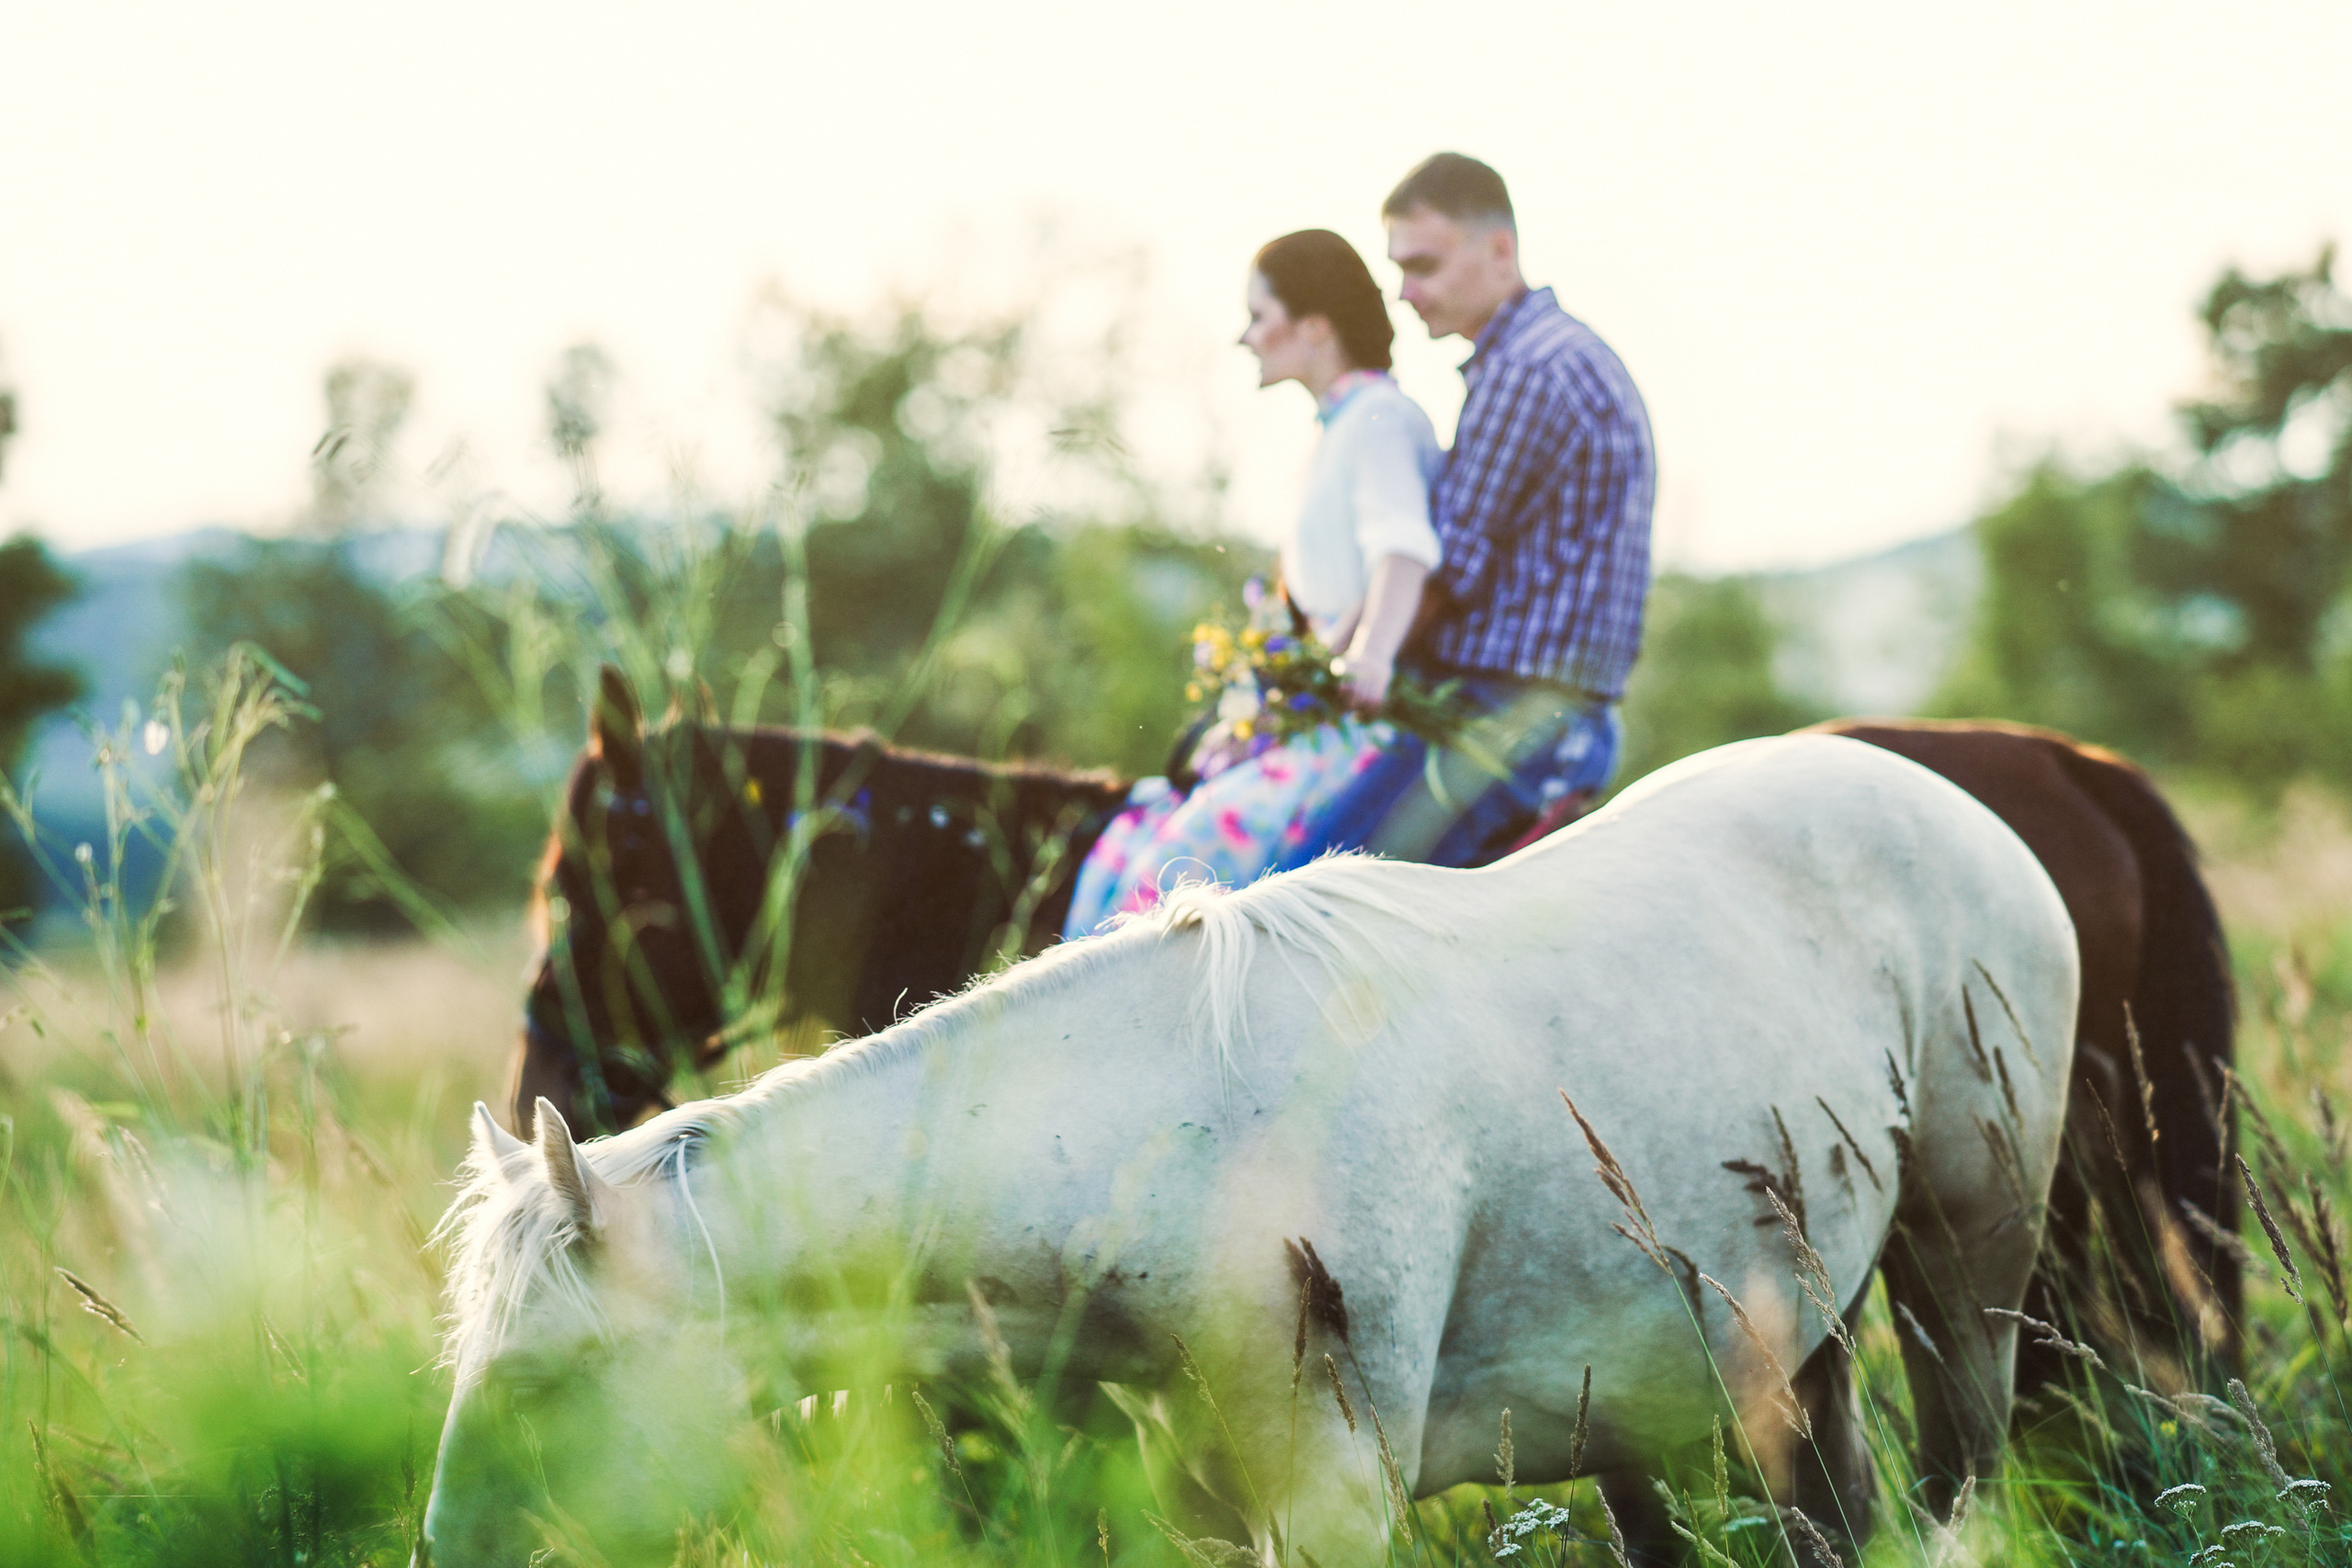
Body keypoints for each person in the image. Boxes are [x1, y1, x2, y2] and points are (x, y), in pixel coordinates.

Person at [1270, 152, 1655, 872]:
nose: (1406, 292)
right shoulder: (1546, 355)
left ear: (1499, 249)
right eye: (1399, 271)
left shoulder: (1527, 369)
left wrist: (1322, 682)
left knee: (1311, 888)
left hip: (1512, 716)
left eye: (1425, 266)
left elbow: (1446, 572)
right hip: (1545, 711)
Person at [1062, 229, 1442, 936]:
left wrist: (1373, 658)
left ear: (1315, 327)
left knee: (1169, 873)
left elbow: (1404, 550)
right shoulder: (1344, 428)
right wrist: (1253, 717)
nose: (1245, 337)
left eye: (1259, 315)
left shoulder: (1380, 420)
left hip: (1360, 729)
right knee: (1129, 830)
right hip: (1319, 715)